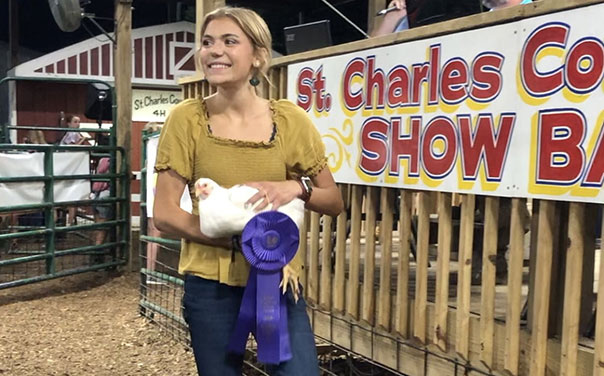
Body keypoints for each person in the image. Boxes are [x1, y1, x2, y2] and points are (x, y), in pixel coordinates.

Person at [153, 6, 344, 376]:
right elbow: (164, 213)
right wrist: (239, 242)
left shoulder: (290, 120)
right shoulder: (186, 120)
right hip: (210, 288)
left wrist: (296, 187)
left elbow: (333, 201)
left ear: (257, 55)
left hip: (280, 281)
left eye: (229, 41)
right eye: (207, 42)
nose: (213, 51)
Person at [91, 157, 113, 262]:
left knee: (97, 225)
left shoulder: (101, 161)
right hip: (106, 192)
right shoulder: (112, 160)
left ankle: (96, 250)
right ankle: (98, 252)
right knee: (103, 227)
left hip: (96, 193)